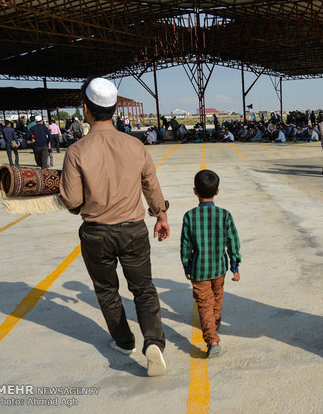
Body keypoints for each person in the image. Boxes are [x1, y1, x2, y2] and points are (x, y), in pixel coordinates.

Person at [60, 77, 170, 377]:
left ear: (86, 109)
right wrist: (160, 215)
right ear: (113, 108)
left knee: (107, 290)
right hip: (133, 229)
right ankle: (154, 342)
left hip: (96, 233)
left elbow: (72, 201)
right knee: (144, 289)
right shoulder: (135, 145)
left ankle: (124, 341)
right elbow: (151, 185)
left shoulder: (76, 151)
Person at [180, 169, 241, 358]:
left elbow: (185, 245)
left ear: (194, 191)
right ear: (217, 191)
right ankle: (214, 323)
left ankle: (212, 340)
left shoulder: (189, 216)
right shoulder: (224, 215)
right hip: (219, 267)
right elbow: (233, 241)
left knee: (204, 304)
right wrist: (235, 266)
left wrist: (187, 266)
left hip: (199, 269)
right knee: (217, 295)